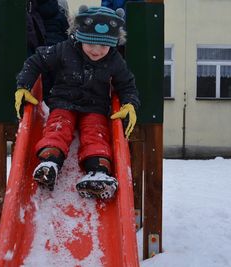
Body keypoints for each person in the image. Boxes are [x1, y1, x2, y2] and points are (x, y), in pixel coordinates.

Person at [15, 6, 140, 199]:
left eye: (103, 46)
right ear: (80, 37)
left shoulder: (114, 60)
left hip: (95, 108)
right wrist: (23, 85)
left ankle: (98, 171)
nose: (97, 50)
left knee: (96, 134)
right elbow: (36, 61)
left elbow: (127, 85)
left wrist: (130, 104)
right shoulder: (64, 49)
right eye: (91, 44)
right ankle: (50, 162)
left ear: (112, 44)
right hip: (63, 102)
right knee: (58, 126)